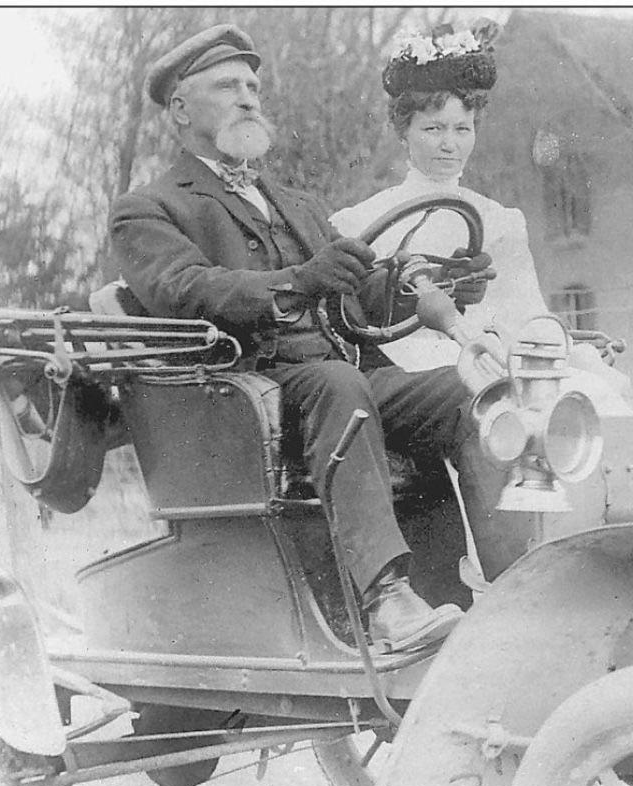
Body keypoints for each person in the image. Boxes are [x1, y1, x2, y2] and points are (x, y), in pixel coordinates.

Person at [108, 24, 497, 653]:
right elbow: (184, 289)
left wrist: (445, 288)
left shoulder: (294, 201)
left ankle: (508, 582)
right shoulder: (149, 208)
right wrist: (297, 280)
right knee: (339, 383)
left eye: (253, 86)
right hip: (252, 387)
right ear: (180, 109)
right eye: (227, 86)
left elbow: (362, 293)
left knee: (471, 391)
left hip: (347, 377)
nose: (248, 99)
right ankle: (387, 601)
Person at [332, 21, 633, 414]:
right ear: (403, 131)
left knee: (597, 393)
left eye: (462, 129)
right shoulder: (360, 221)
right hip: (414, 368)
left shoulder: (499, 220)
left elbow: (528, 317)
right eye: (433, 128)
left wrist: (574, 353)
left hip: (500, 356)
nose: (449, 144)